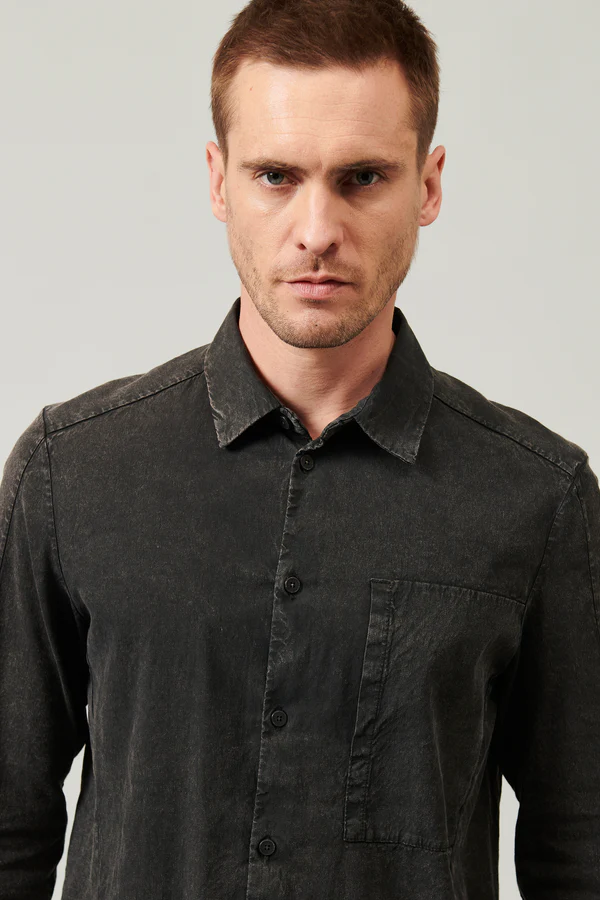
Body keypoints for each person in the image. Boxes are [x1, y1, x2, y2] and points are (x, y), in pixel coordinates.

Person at [1, 0, 599, 897]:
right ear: (219, 181)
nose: (316, 229)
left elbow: (582, 847)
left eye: (362, 177)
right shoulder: (71, 471)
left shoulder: (538, 499)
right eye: (276, 175)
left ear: (428, 185)